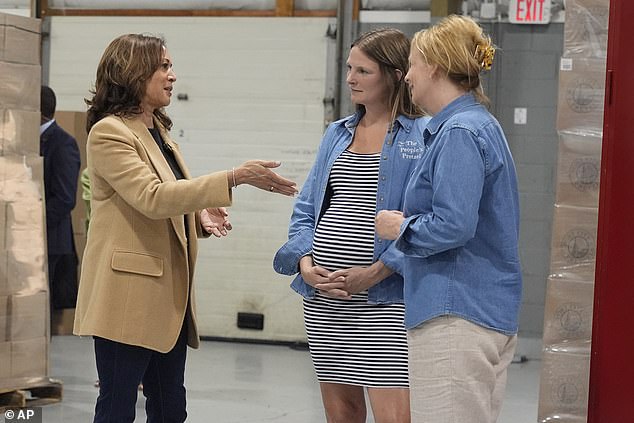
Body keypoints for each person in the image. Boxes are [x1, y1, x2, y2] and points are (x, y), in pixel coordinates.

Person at [73, 33, 297, 423]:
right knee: (116, 407)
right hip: (127, 297)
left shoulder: (157, 131)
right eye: (163, 66)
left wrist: (198, 216)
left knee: (171, 408)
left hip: (166, 299)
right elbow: (152, 197)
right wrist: (234, 177)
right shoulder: (110, 133)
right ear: (133, 72)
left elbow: (163, 197)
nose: (172, 75)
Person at [274, 28, 427, 423]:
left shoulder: (423, 137)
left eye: (363, 70)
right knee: (341, 414)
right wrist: (305, 262)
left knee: (395, 415)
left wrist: (374, 274)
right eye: (348, 68)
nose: (350, 79)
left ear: (394, 75)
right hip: (325, 300)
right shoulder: (337, 133)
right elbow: (307, 208)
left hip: (386, 300)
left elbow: (424, 222)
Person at [375, 15, 522, 423]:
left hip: (455, 315)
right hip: (478, 310)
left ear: (436, 67)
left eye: (414, 63)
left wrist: (398, 228)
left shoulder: (459, 132)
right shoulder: (476, 126)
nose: (407, 76)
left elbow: (454, 225)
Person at [40, 85, 81, 314]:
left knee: (41, 311)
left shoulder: (62, 143)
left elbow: (65, 199)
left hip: (50, 242)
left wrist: (30, 224)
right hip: (36, 240)